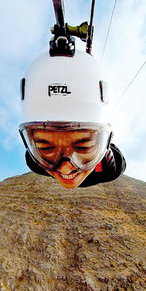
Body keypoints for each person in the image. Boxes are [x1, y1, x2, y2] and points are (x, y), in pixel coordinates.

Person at [19, 49, 126, 189]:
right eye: (46, 148)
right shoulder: (35, 161)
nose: (66, 169)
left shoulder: (111, 167)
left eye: (84, 147)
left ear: (105, 144)